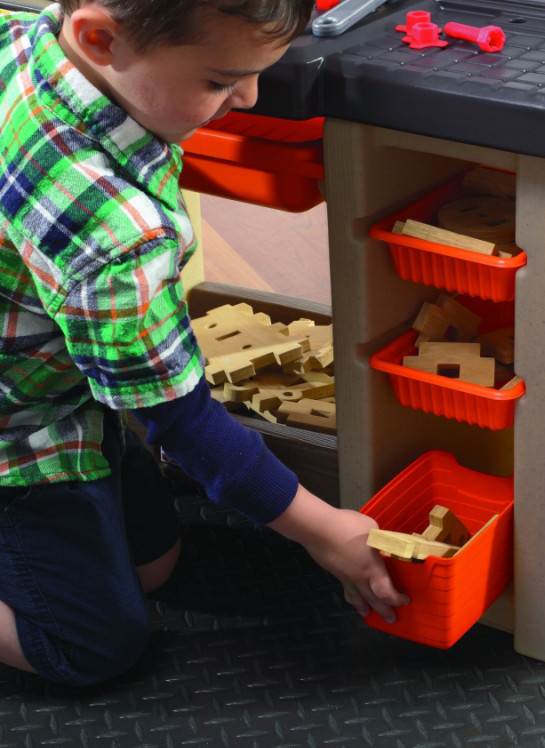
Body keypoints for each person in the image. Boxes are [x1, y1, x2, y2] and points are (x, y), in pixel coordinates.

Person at [0, 0, 409, 687]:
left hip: (52, 377)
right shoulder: (114, 231)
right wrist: (323, 530)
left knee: (155, 566)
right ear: (99, 38)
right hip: (19, 427)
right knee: (89, 645)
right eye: (221, 81)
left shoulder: (24, 35)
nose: (248, 97)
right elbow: (181, 420)